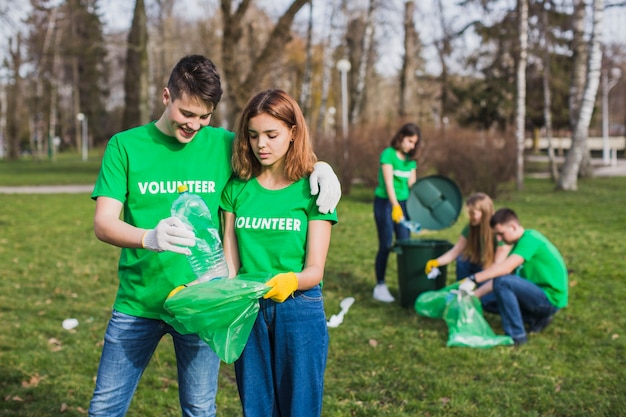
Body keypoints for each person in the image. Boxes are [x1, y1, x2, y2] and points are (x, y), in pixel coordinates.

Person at [89, 56, 341, 416]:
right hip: (138, 302)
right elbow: (103, 223)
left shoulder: (224, 144)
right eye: (187, 113)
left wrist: (321, 166)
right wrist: (149, 237)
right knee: (105, 407)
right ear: (166, 96)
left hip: (203, 301)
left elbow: (274, 148)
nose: (194, 125)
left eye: (204, 116)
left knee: (199, 407)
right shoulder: (125, 146)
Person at [220, 89, 337, 417]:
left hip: (298, 308)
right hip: (248, 309)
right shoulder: (236, 188)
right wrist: (206, 293)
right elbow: (231, 267)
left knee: (300, 408)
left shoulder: (312, 189)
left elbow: (316, 269)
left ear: (293, 133)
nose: (262, 145)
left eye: (272, 135)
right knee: (256, 408)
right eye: (254, 135)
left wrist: (290, 280)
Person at [459, 208, 569, 346]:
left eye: (501, 234)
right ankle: (535, 319)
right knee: (487, 301)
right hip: (534, 295)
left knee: (503, 283)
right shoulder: (516, 243)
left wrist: (473, 279)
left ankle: (517, 336)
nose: (499, 239)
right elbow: (501, 273)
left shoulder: (530, 239)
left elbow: (505, 270)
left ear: (513, 227)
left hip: (549, 299)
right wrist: (474, 295)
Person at [424, 192, 511, 308]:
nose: (470, 216)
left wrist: (477, 280)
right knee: (462, 260)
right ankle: (462, 293)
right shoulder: (471, 227)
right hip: (481, 266)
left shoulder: (498, 230)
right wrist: (436, 262)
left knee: (486, 302)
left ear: (484, 212)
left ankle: (477, 294)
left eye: (473, 213)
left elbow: (498, 266)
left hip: (496, 273)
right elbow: (456, 250)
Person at [372, 122, 420, 302]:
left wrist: (416, 210)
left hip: (404, 203)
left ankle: (405, 284)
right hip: (385, 202)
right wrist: (395, 206)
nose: (411, 146)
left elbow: (412, 186)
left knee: (405, 244)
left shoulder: (411, 160)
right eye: (409, 141)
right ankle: (380, 286)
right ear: (401, 137)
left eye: (414, 143)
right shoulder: (388, 155)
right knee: (386, 243)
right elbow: (389, 184)